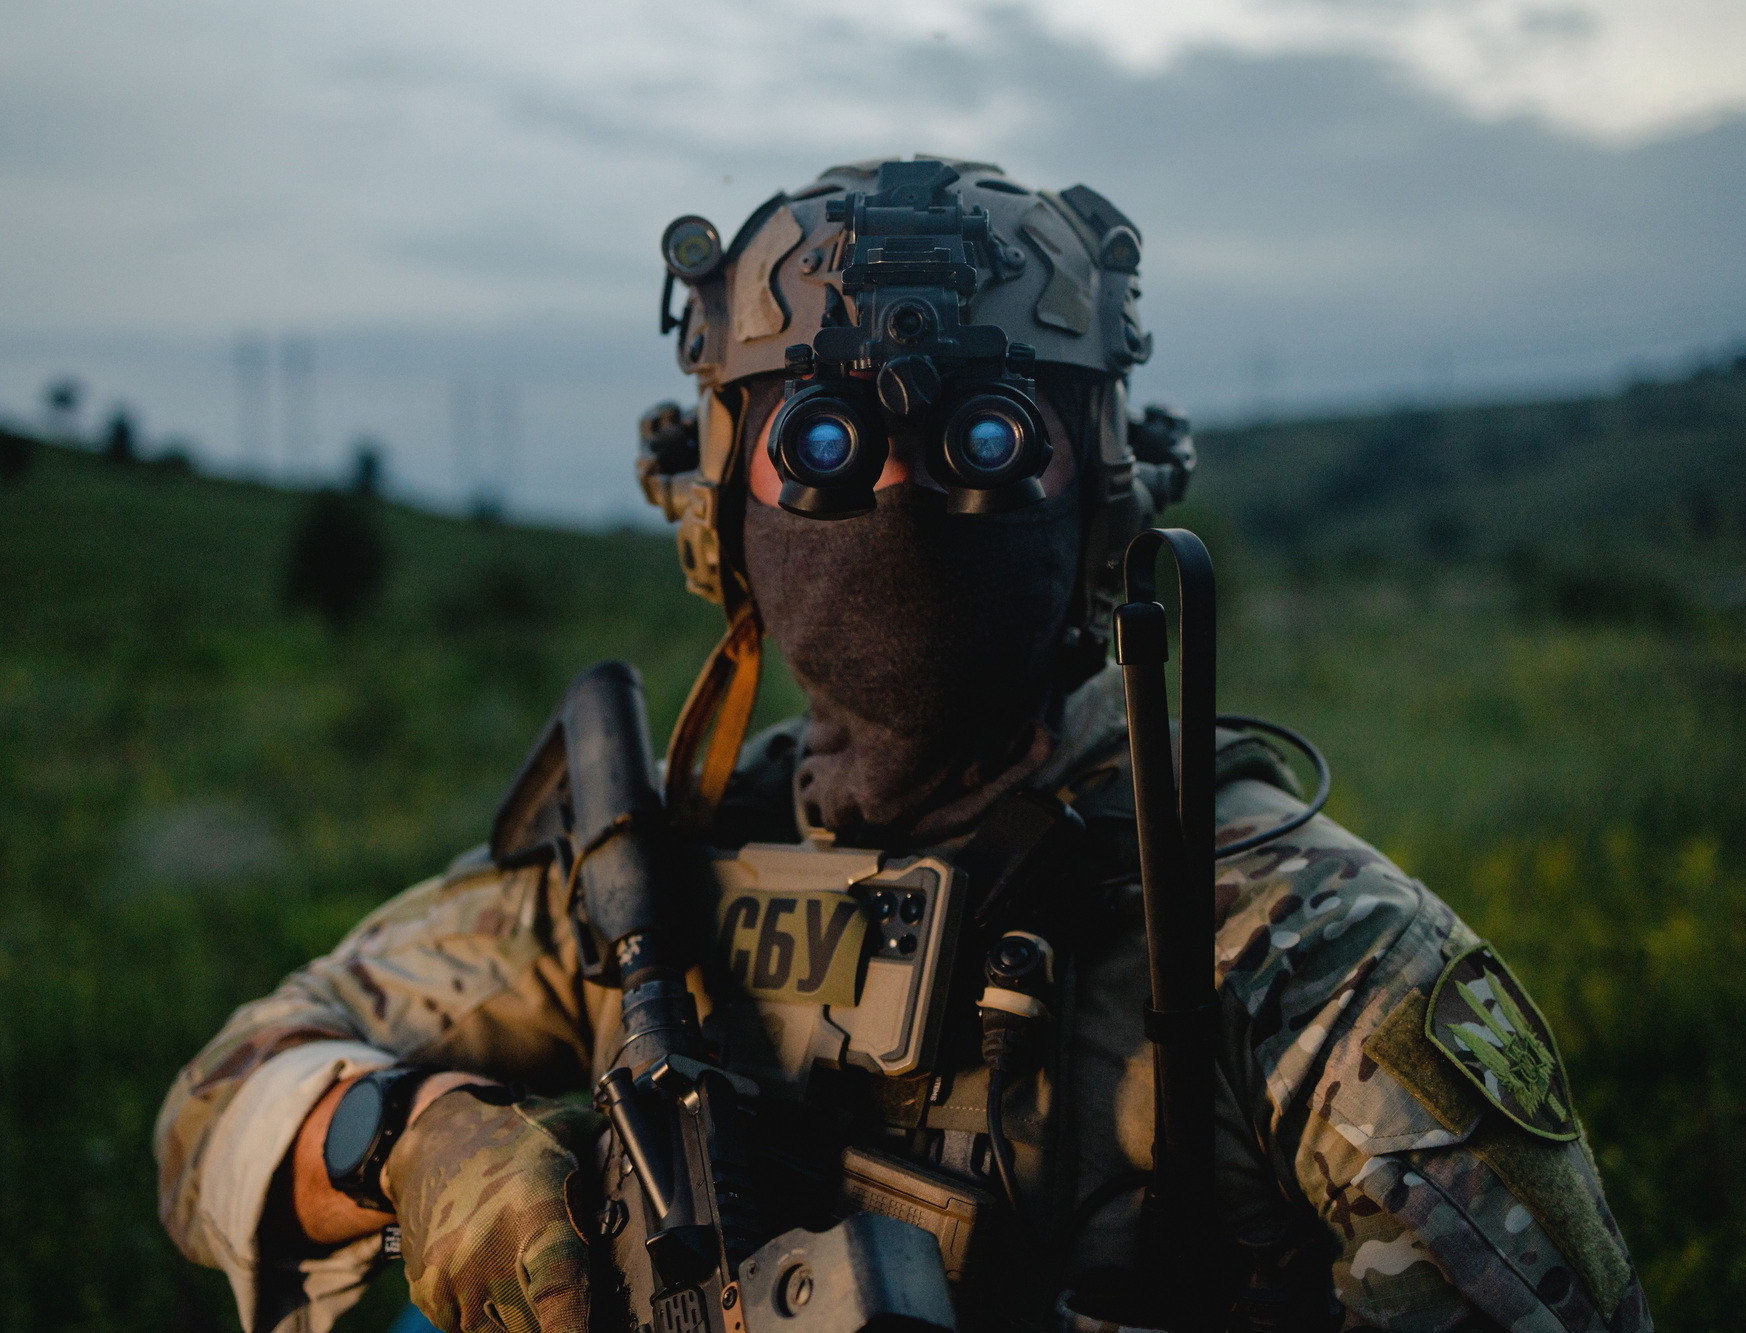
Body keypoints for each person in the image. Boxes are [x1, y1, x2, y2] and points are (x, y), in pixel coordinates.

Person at [155, 157, 1650, 1333]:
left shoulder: (1303, 952)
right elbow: (222, 1097)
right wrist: (411, 1138)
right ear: (720, 506)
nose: (893, 489)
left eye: (984, 438)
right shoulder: (642, 879)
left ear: (1103, 491)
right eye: (818, 438)